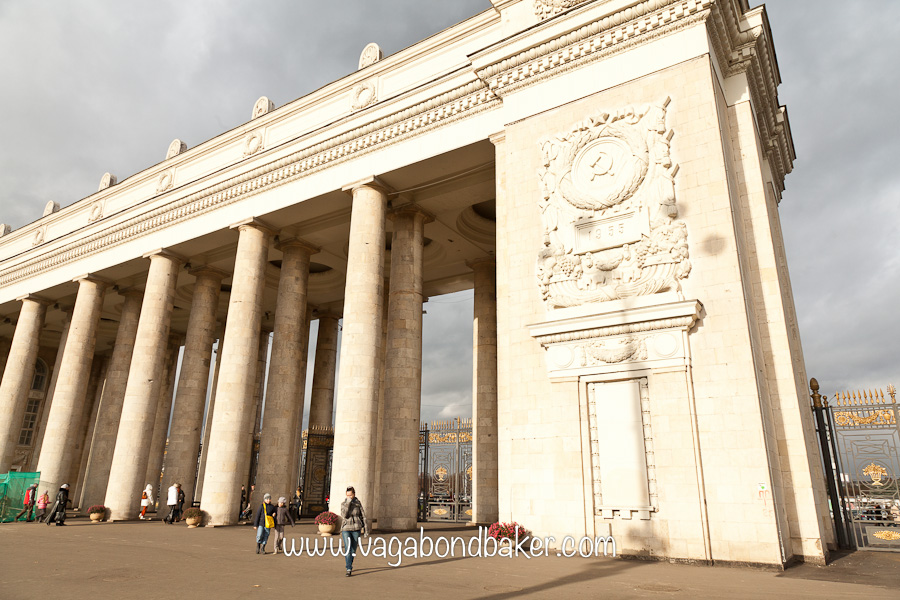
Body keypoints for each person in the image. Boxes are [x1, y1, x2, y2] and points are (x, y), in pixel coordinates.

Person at [340, 486, 367, 576]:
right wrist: (348, 503)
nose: (349, 497)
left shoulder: (358, 503)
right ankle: (348, 568)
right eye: (347, 495)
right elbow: (344, 515)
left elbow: (363, 515)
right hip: (346, 528)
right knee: (347, 548)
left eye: (350, 495)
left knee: (353, 549)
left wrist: (365, 529)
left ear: (354, 494)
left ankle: (350, 563)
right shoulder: (344, 503)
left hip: (356, 528)